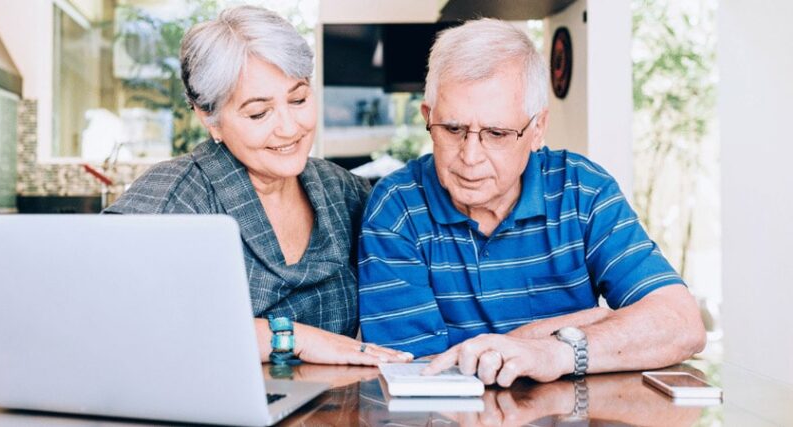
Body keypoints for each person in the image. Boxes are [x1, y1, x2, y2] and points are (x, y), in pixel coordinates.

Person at [358, 19, 705, 385]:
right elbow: (421, 371)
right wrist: (592, 321)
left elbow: (681, 324)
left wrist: (555, 353)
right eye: (453, 129)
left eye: (496, 133)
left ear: (537, 129)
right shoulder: (396, 208)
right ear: (428, 117)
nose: (470, 156)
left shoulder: (582, 190)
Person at [106, 5, 410, 366]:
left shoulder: (344, 192)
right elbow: (108, 321)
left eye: (298, 99)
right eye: (258, 113)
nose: (289, 128)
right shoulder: (173, 198)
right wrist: (292, 338)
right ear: (209, 116)